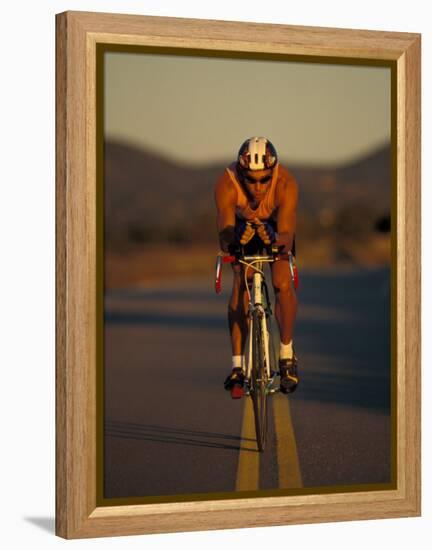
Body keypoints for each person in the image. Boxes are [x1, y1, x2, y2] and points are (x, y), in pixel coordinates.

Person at [214, 136, 299, 397]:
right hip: (241, 230)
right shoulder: (226, 184)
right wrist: (235, 242)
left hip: (275, 230)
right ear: (241, 173)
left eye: (264, 179)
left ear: (273, 172)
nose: (258, 187)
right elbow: (224, 233)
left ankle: (286, 355)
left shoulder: (286, 183)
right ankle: (238, 366)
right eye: (250, 180)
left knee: (281, 283)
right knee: (240, 283)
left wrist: (273, 240)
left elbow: (286, 234)